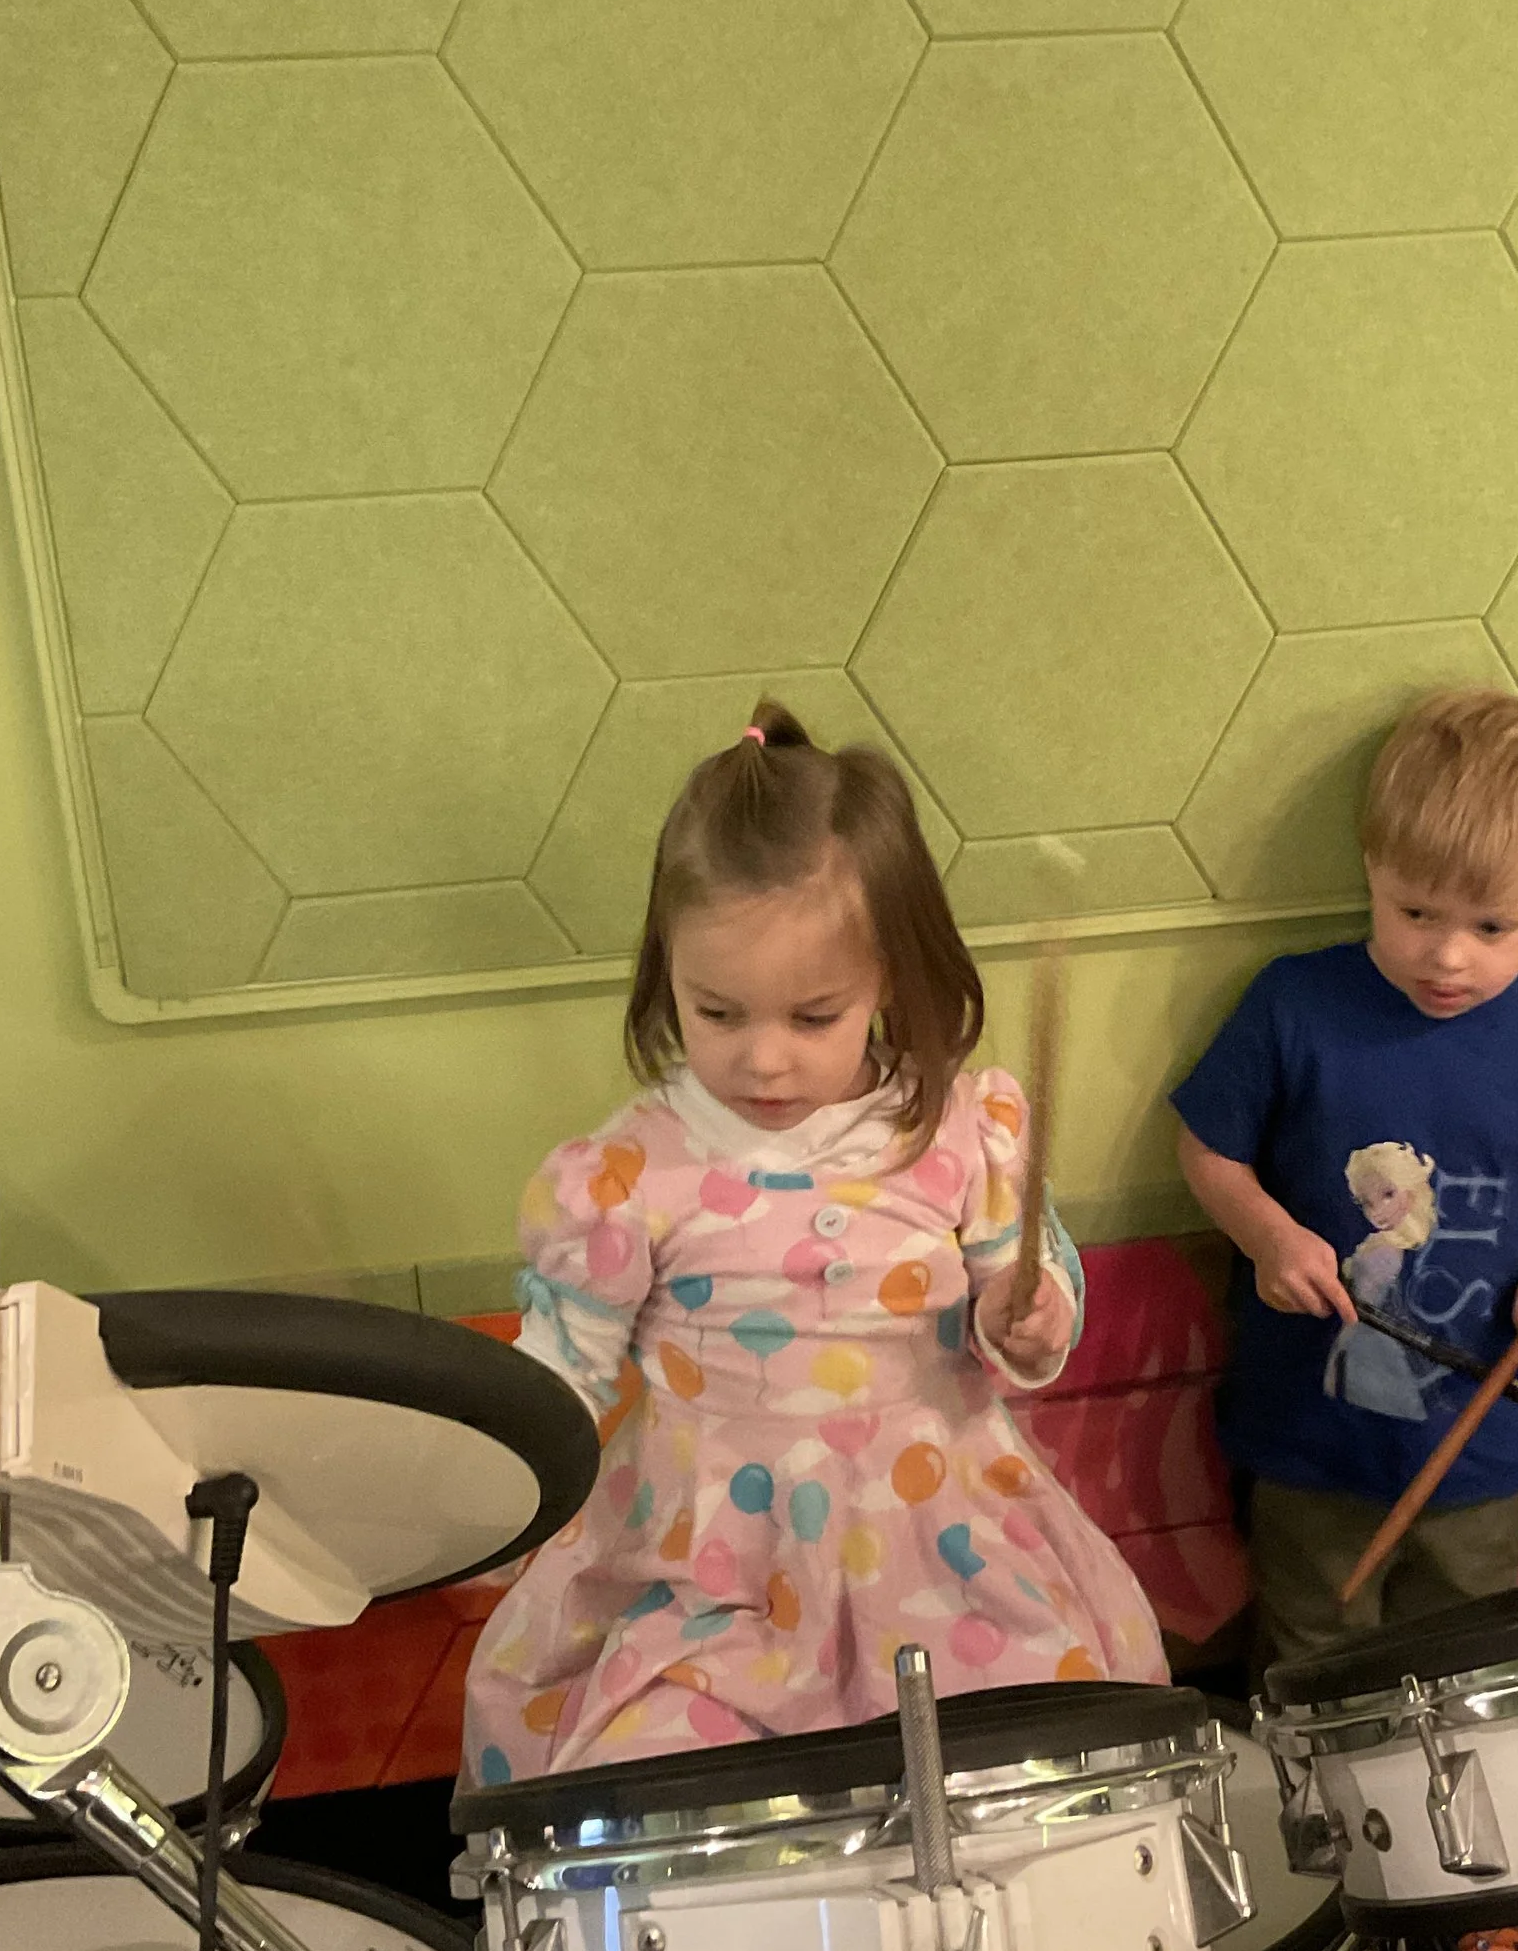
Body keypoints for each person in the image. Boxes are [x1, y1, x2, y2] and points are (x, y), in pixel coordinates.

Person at [464, 703, 1167, 1789]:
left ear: (889, 977)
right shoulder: (628, 1175)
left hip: (949, 1553)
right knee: (645, 1793)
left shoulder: (958, 1129)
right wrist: (479, 1498)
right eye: (717, 1012)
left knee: (1040, 1765)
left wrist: (1026, 1319)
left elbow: (1020, 1305)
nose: (763, 1060)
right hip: (709, 1580)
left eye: (812, 1016)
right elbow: (560, 1374)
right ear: (667, 970)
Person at [1171, 688, 1518, 1951]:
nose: (1449, 956)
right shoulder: (1295, 1005)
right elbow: (1207, 1148)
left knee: (1460, 1664)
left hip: (1479, 1445)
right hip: (1312, 1434)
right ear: (1370, 868)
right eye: (1416, 911)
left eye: (1494, 926)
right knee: (1309, 1656)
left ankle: (1462, 1878)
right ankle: (1313, 1879)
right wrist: (1267, 1232)